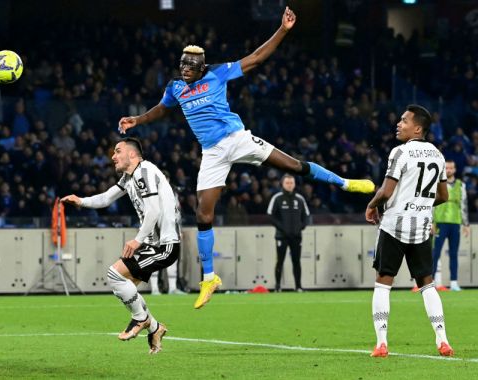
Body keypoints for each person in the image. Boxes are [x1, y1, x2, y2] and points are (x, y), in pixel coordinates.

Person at [118, 7, 375, 309]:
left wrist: (283, 30)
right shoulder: (175, 87)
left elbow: (255, 59)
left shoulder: (217, 73)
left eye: (190, 66)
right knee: (203, 215)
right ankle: (210, 277)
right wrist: (138, 119)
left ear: (202, 67)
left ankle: (345, 184)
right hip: (212, 153)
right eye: (182, 65)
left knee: (293, 165)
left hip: (237, 139)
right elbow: (162, 108)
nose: (185, 69)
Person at [61, 137, 180, 354]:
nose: (113, 156)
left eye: (117, 151)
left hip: (164, 245)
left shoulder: (145, 171)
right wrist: (81, 200)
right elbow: (106, 198)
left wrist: (137, 239)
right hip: (153, 244)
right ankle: (154, 327)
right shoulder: (130, 177)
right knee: (122, 285)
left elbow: (153, 210)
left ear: (132, 154)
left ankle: (141, 319)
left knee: (115, 274)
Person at [365, 105, 453, 358]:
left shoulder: (400, 152)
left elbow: (387, 191)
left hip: (394, 225)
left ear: (418, 128)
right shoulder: (437, 155)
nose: (398, 124)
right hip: (423, 227)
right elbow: (443, 195)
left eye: (404, 121)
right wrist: (422, 204)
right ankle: (442, 340)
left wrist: (372, 205)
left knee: (384, 281)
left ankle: (382, 343)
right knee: (427, 283)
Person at [267, 174, 309, 292]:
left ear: (294, 184)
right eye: (287, 183)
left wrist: (300, 227)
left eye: (291, 183)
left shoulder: (300, 198)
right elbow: (270, 215)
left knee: (296, 261)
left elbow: (306, 215)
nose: (289, 185)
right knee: (280, 261)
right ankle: (277, 287)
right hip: (281, 236)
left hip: (296, 236)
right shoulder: (277, 198)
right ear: (283, 184)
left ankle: (298, 286)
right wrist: (281, 228)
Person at [431, 159, 469, 291]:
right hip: (440, 222)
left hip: (455, 223)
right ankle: (431, 283)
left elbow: (463, 205)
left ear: (455, 169)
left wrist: (466, 224)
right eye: (446, 168)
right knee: (435, 253)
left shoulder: (461, 185)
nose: (449, 170)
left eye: (451, 168)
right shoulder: (437, 184)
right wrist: (431, 222)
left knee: (454, 253)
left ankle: (453, 282)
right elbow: (431, 204)